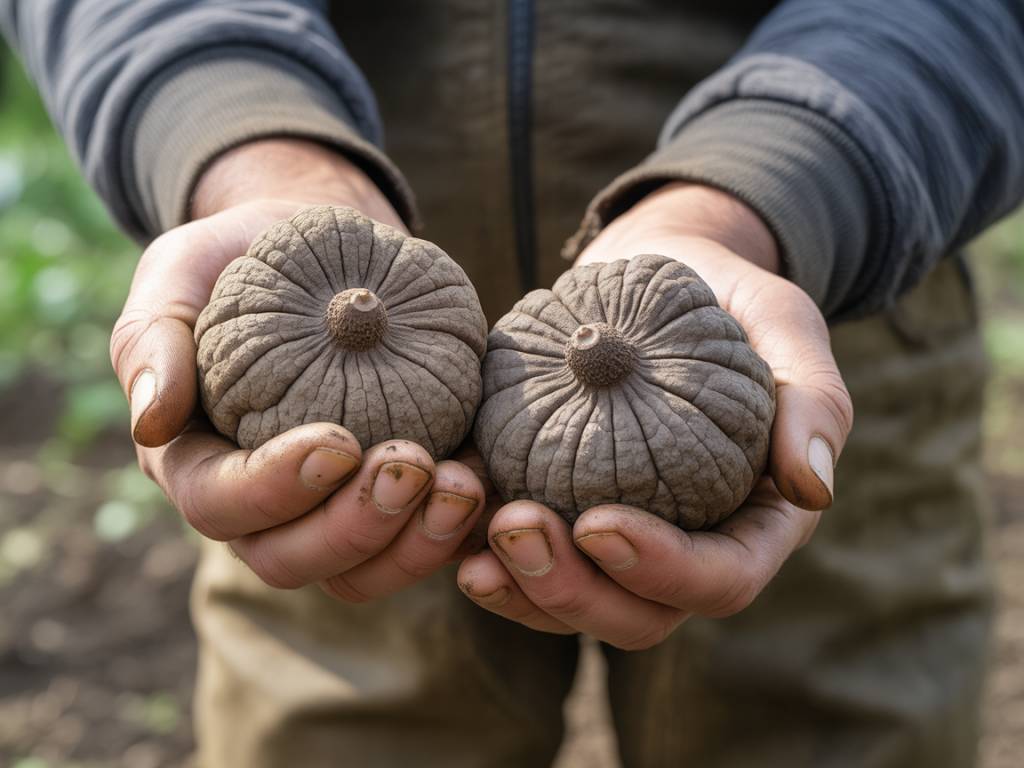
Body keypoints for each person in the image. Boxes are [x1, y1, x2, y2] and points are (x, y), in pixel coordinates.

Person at [4, 2, 1023, 766]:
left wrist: (776, 179)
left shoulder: (746, 318)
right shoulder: (299, 317)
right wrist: (240, 132)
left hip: (793, 286)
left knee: (821, 724)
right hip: (336, 300)